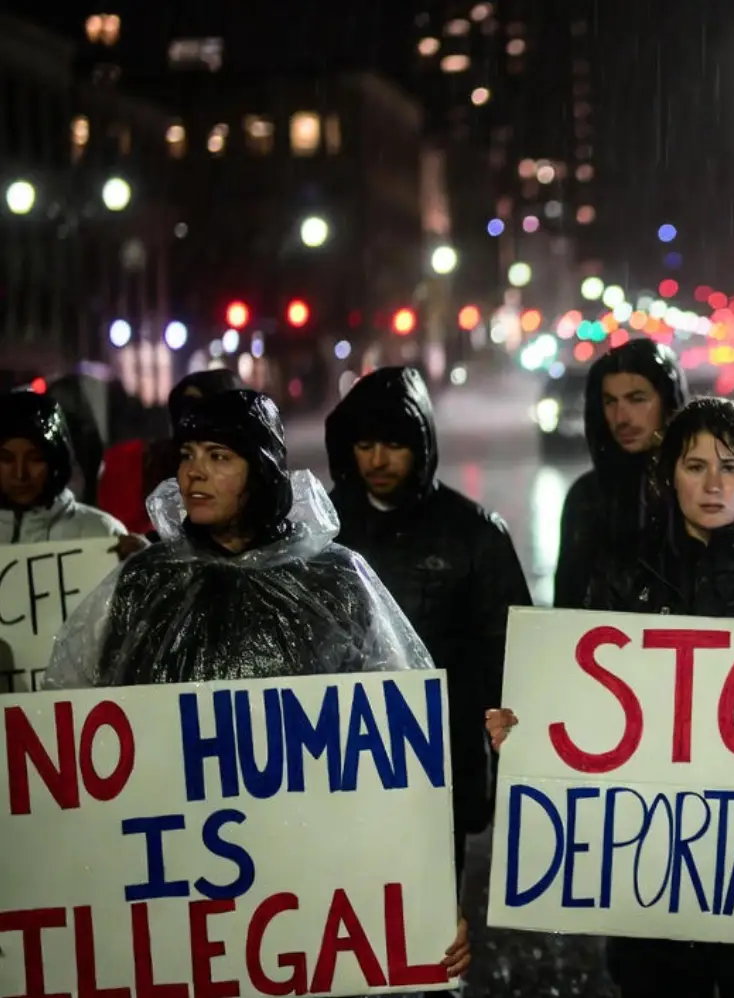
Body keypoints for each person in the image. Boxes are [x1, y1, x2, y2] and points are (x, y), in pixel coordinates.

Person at [42, 388, 471, 976]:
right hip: (182, 886)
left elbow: (400, 759)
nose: (194, 472)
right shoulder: (146, 583)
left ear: (263, 471)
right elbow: (81, 739)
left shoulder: (334, 580)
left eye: (220, 456)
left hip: (309, 879)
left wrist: (426, 894)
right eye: (188, 453)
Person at [486, 396, 734, 997]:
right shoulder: (625, 571)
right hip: (649, 860)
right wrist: (524, 736)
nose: (712, 484)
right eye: (694, 465)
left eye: (729, 467)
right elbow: (582, 702)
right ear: (667, 474)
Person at [324, 365, 533, 891]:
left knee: (428, 920)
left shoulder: (474, 535)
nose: (376, 460)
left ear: (421, 444)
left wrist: (516, 742)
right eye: (365, 443)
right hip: (332, 760)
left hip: (438, 763)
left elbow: (508, 652)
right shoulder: (320, 530)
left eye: (393, 444)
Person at [554, 338, 688, 608]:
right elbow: (567, 604)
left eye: (637, 399)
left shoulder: (698, 488)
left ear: (668, 402)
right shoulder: (587, 496)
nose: (621, 417)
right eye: (610, 402)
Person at [99, 369, 247, 536]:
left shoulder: (253, 470)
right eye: (185, 407)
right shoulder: (135, 461)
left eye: (203, 408)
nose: (191, 419)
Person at [1, 389, 136, 553]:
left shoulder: (100, 532)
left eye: (35, 459)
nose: (20, 474)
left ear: (55, 461)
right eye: (6, 459)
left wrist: (144, 564)